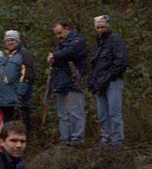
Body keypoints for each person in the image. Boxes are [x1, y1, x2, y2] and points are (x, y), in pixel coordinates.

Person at [88, 15, 130, 147]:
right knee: (102, 114)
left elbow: (122, 62)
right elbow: (95, 65)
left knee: (114, 111)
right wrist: (93, 81)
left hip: (113, 81)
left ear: (108, 26)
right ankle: (106, 139)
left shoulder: (116, 39)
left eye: (103, 27)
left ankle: (117, 140)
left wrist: (109, 76)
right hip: (100, 82)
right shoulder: (97, 43)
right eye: (98, 27)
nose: (100, 29)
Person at [49, 21, 88, 146]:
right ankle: (64, 140)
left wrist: (54, 55)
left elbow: (69, 52)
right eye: (56, 34)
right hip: (61, 82)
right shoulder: (60, 44)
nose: (58, 36)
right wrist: (53, 60)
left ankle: (77, 140)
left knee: (76, 112)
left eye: (60, 33)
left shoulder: (78, 41)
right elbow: (58, 58)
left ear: (67, 28)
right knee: (62, 114)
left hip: (74, 81)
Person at [0, 30, 37, 133]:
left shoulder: (24, 54)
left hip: (18, 101)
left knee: (21, 130)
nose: (10, 42)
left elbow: (28, 75)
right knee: (8, 132)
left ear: (18, 41)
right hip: (4, 101)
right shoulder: (4, 57)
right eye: (8, 40)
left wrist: (20, 94)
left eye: (12, 40)